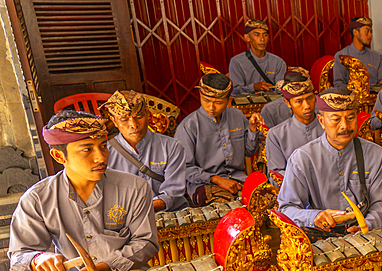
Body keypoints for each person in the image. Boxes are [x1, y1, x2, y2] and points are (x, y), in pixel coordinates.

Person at [8, 111, 157, 271]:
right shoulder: (37, 199)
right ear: (59, 156)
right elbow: (19, 256)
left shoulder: (135, 188)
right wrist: (38, 259)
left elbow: (145, 242)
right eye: (87, 149)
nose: (101, 158)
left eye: (103, 146)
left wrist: (103, 266)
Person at [278, 88, 382, 233]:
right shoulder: (302, 158)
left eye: (350, 118)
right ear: (321, 121)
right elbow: (287, 209)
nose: (344, 126)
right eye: (336, 119)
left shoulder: (376, 154)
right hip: (322, 233)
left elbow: (380, 203)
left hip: (364, 232)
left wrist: (366, 225)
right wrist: (315, 216)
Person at [175, 73, 264, 206]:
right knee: (232, 206)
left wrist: (252, 129)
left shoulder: (237, 116)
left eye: (218, 102)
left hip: (238, 179)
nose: (211, 107)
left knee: (267, 199)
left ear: (229, 100)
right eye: (206, 100)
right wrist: (216, 179)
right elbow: (184, 168)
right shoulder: (188, 126)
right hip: (204, 184)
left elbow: (249, 152)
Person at [103, 90, 187, 212]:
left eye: (139, 116)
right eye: (124, 119)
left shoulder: (172, 146)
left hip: (169, 213)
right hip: (127, 218)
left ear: (148, 114)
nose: (134, 125)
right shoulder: (105, 154)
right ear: (114, 121)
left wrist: (140, 211)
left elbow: (172, 193)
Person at [265, 76, 321, 181]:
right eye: (299, 101)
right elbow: (276, 174)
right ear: (288, 103)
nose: (307, 106)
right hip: (296, 192)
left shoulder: (329, 127)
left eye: (310, 98)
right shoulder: (276, 135)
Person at [229, 19, 287, 96]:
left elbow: (281, 90)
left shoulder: (278, 62)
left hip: (272, 105)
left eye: (265, 35)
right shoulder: (237, 62)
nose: (262, 39)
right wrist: (253, 87)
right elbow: (234, 91)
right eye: (257, 35)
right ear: (247, 37)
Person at [332, 16, 382, 90]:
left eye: (371, 32)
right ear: (355, 32)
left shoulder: (377, 56)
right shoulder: (341, 56)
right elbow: (338, 84)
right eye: (367, 31)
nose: (370, 35)